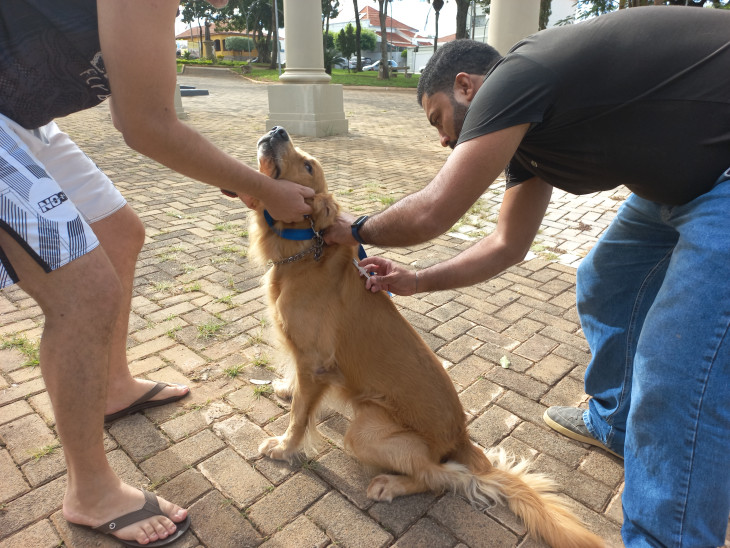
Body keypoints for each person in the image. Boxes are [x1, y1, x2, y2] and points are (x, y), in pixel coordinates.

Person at [325, 6, 730, 547]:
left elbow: (433, 211)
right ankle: (614, 421)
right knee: (606, 280)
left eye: (437, 119)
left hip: (721, 178)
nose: (442, 141)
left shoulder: (519, 75)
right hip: (684, 184)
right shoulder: (529, 137)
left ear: (467, 86)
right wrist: (416, 279)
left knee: (678, 361)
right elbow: (507, 245)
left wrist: (354, 228)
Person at [0, 0, 313, 546]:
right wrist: (263, 188)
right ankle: (90, 491)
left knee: (120, 233)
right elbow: (145, 125)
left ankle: (113, 387)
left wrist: (245, 180)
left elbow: (138, 109)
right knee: (85, 292)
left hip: (24, 118)